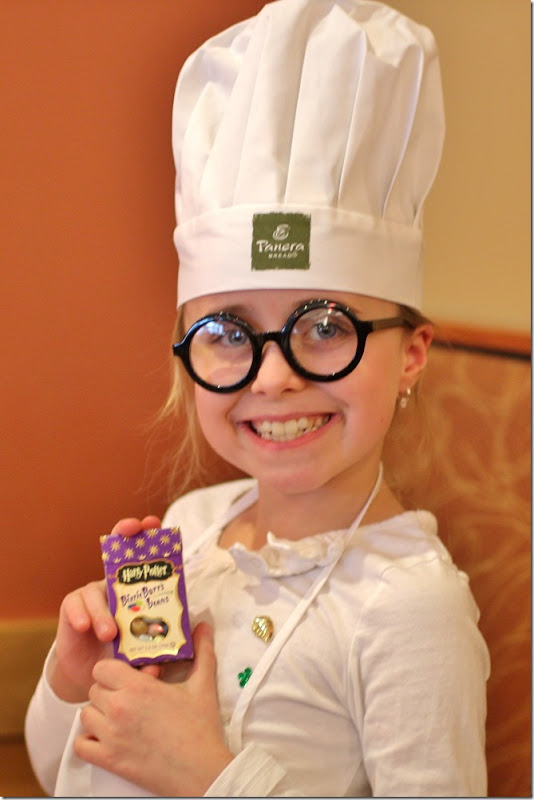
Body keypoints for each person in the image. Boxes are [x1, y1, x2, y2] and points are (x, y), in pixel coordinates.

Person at [25, 0, 490, 796]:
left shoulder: (409, 609)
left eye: (325, 327)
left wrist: (211, 776)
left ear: (411, 355)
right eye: (228, 333)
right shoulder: (192, 529)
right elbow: (57, 768)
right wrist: (73, 677)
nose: (272, 377)